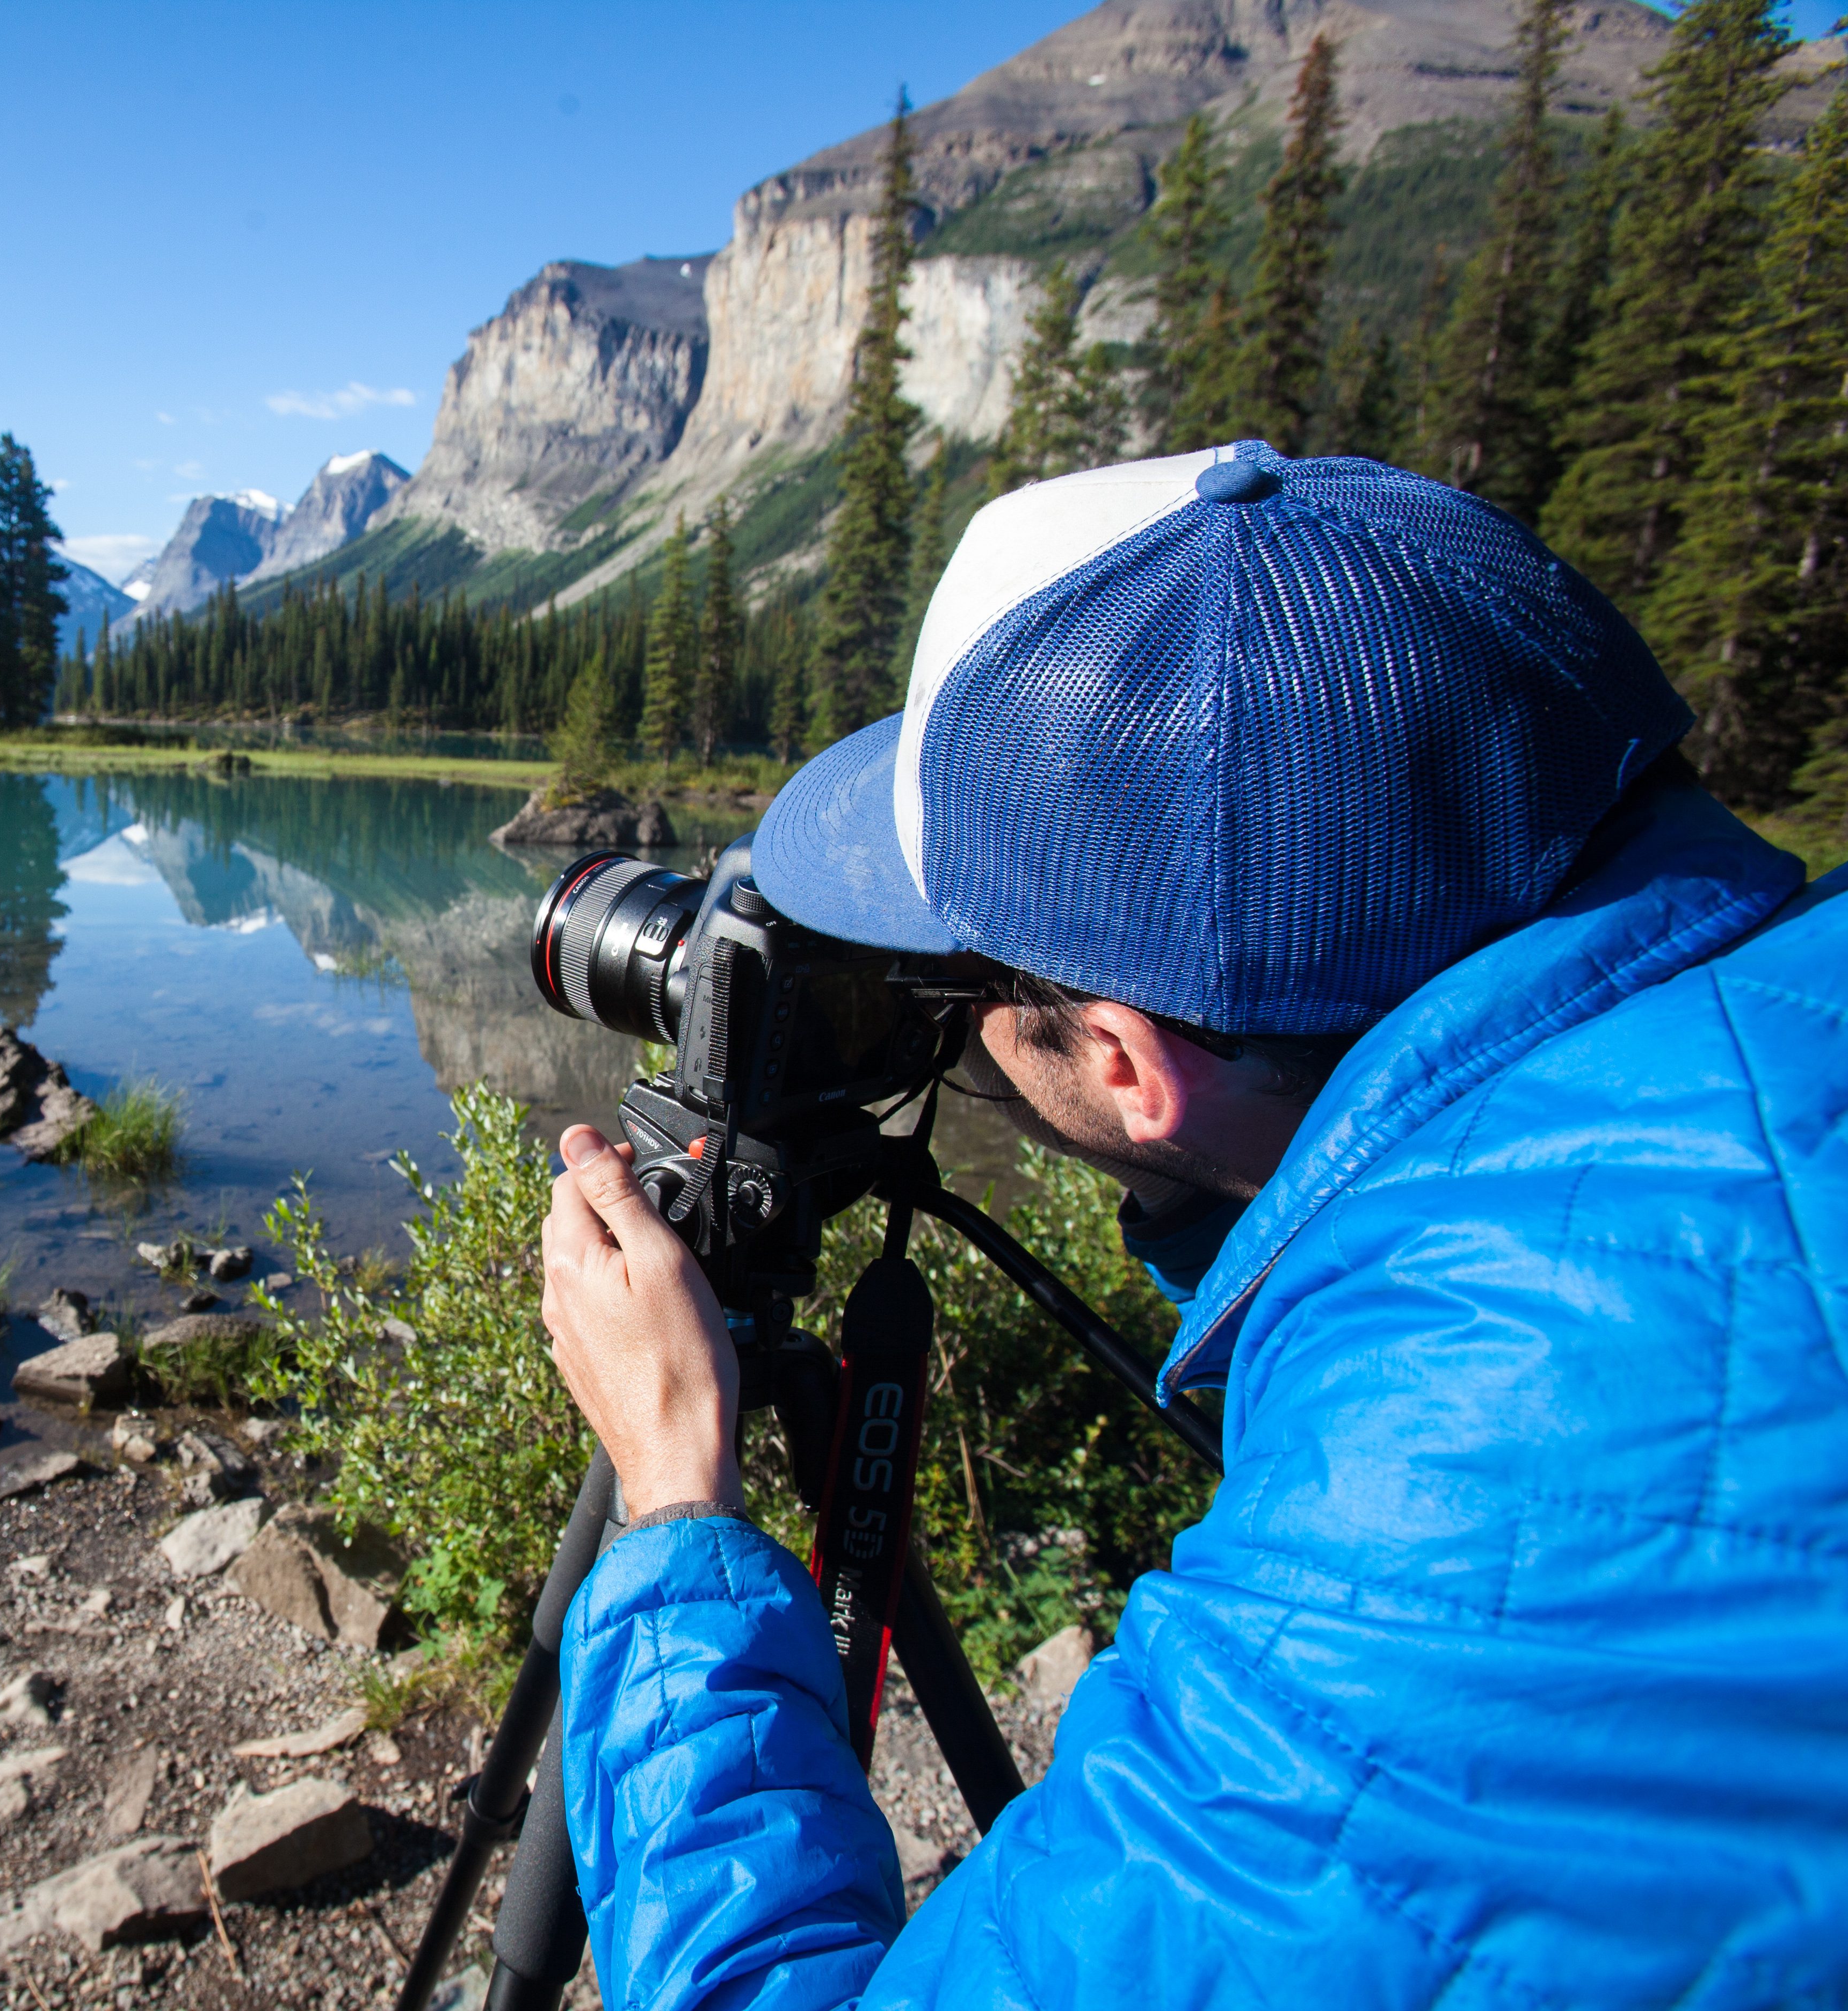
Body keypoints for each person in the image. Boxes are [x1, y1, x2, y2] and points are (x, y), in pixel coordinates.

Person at [536, 444, 1848, 2008]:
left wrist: (677, 1493)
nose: (918, 1017)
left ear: (1120, 1062)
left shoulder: (1427, 1554)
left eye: (948, 989)